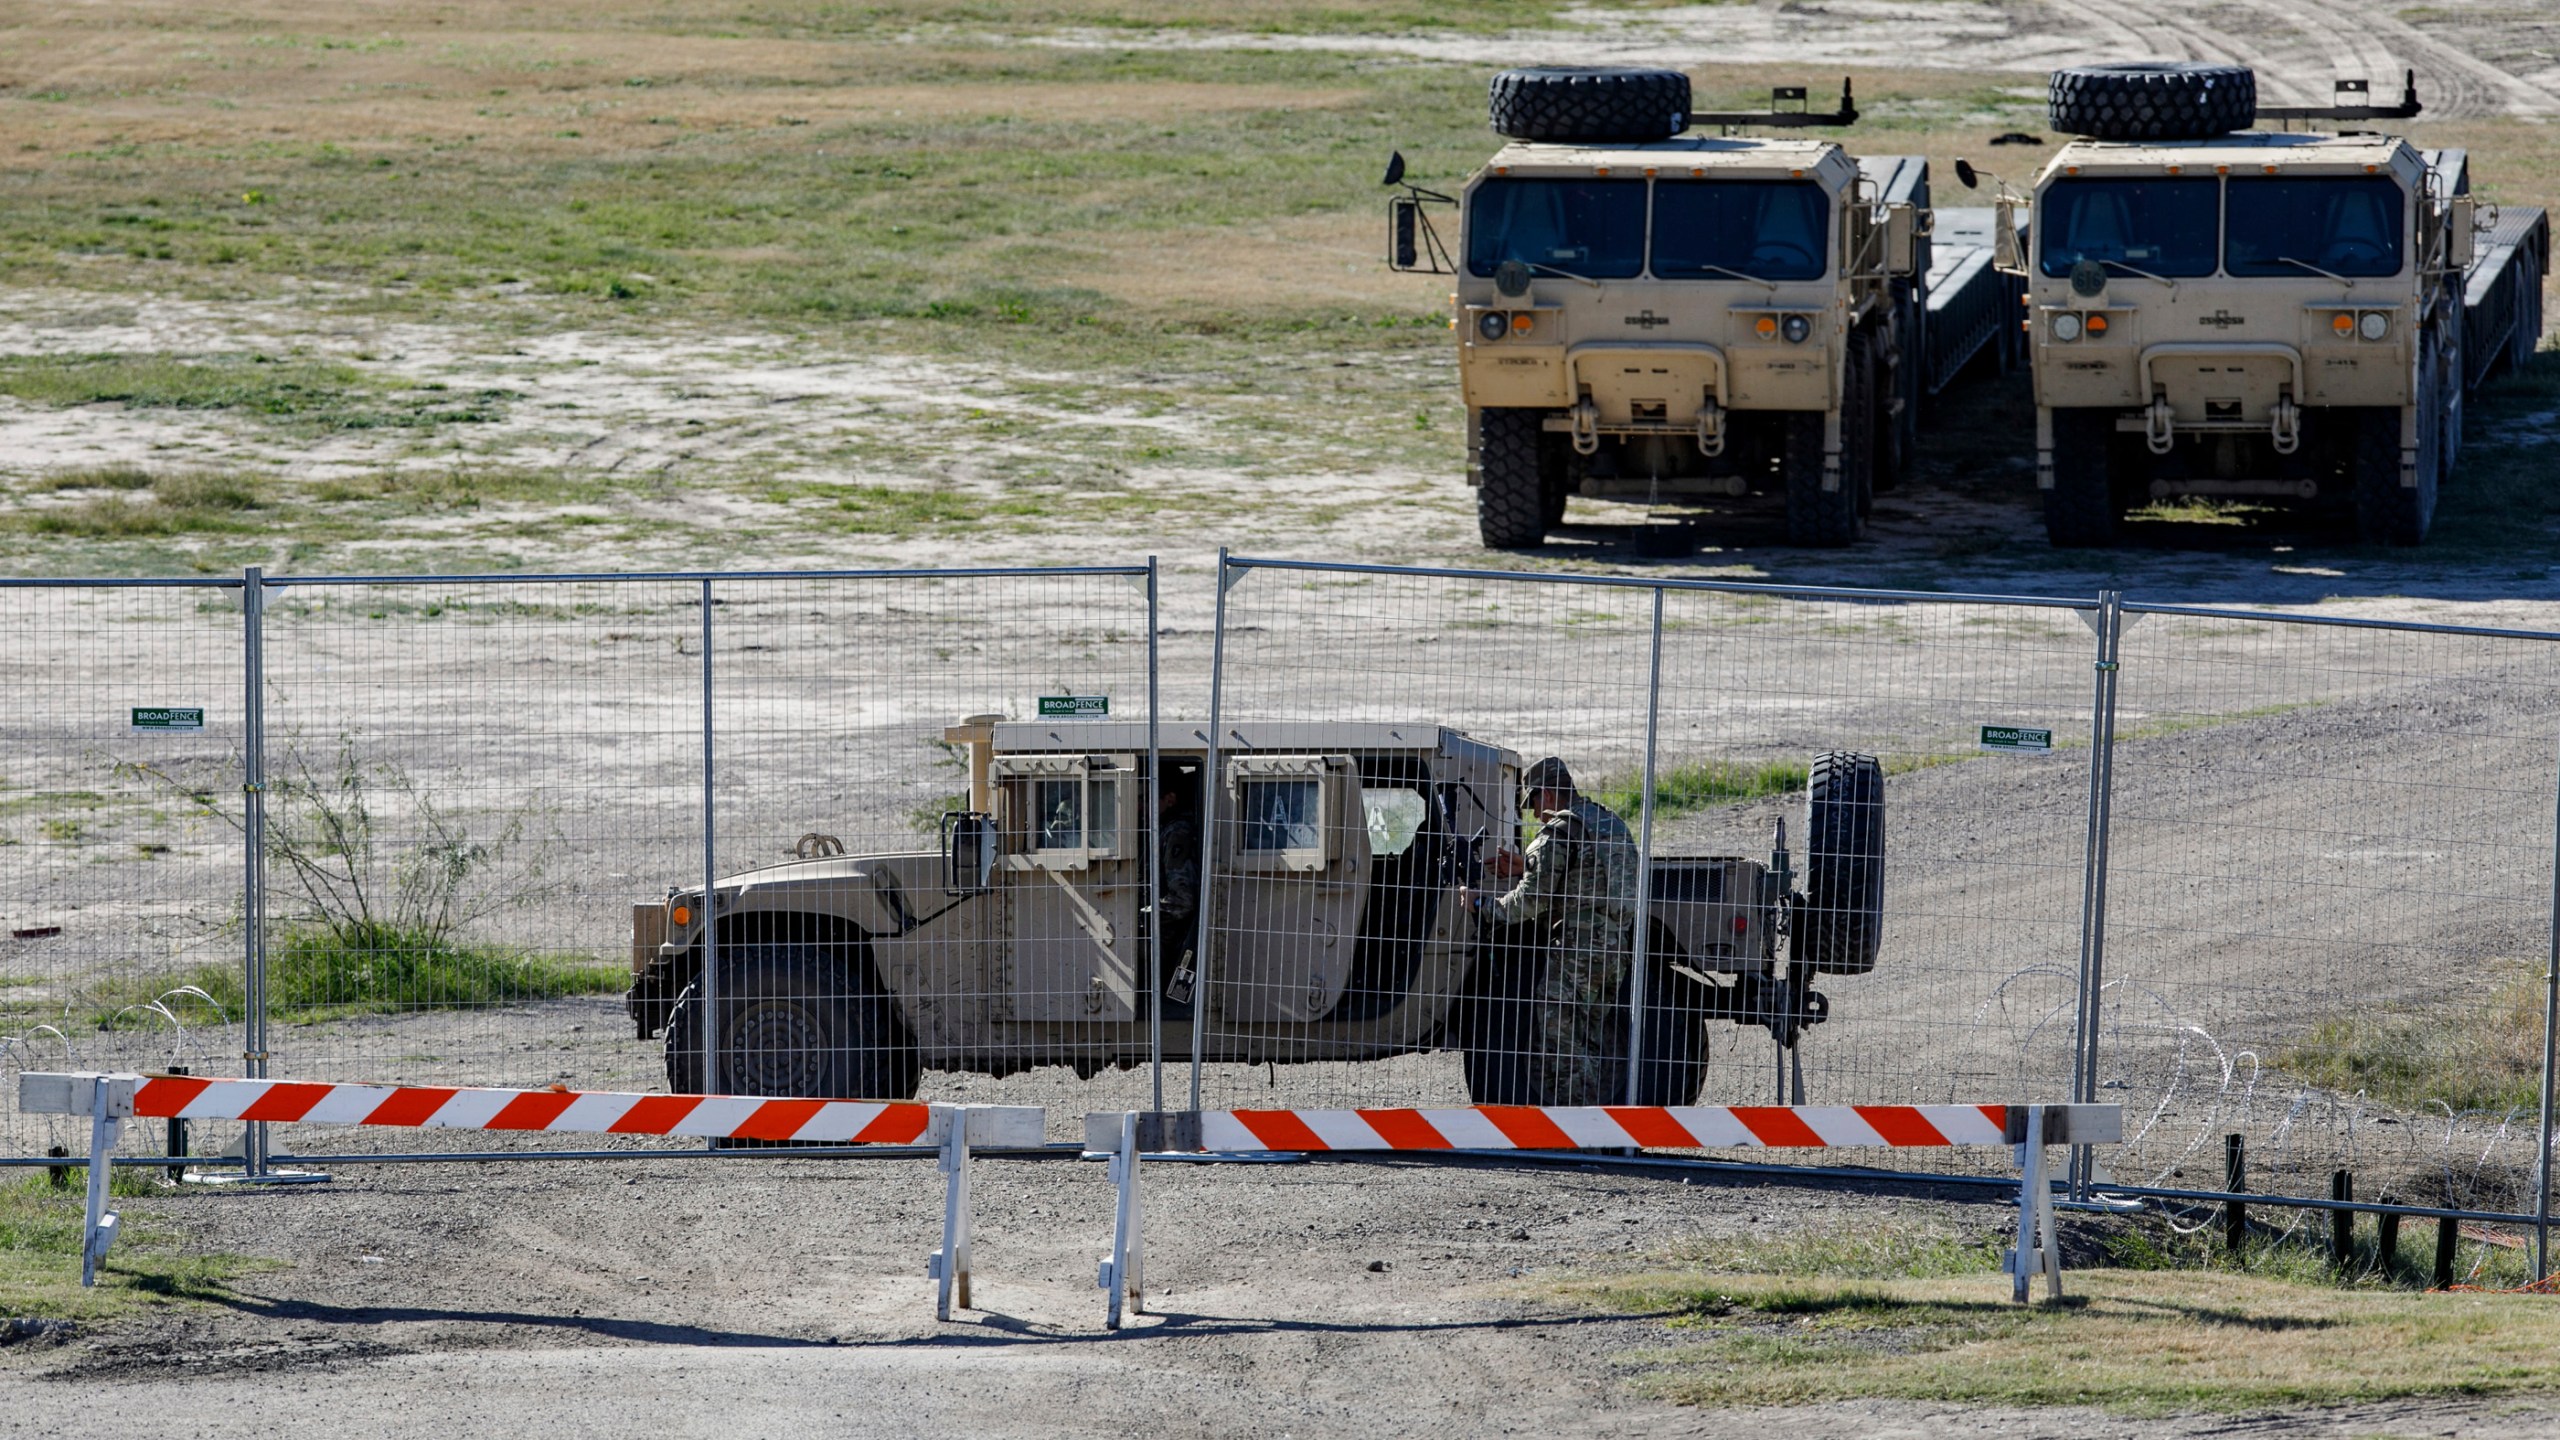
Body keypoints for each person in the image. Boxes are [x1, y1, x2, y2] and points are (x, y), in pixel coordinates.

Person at [1464, 756, 1638, 1106]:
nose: (1533, 815)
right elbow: (1587, 878)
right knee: (1588, 1041)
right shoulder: (1608, 822)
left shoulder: (1559, 830)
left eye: (1532, 804)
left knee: (1563, 1047)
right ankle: (1597, 1129)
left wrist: (1484, 907)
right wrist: (1527, 864)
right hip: (1614, 948)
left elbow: (1532, 901)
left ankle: (1579, 1133)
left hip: (1577, 951)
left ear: (1546, 794)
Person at [1154, 769, 1203, 999]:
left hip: (1173, 936)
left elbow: (1183, 901)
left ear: (1170, 800)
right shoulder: (1166, 829)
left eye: (1147, 799)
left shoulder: (1177, 832)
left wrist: (1142, 916)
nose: (1141, 806)